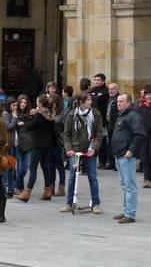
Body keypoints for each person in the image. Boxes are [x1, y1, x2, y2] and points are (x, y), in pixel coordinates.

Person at [61, 92, 105, 214]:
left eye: (91, 100)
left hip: (90, 150)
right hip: (75, 151)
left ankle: (96, 204)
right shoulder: (71, 115)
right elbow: (66, 134)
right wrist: (69, 148)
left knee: (92, 177)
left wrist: (94, 148)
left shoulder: (96, 114)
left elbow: (99, 134)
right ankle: (69, 203)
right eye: (88, 100)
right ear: (81, 102)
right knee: (72, 177)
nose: (90, 102)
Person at [111, 94, 146, 224]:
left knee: (129, 185)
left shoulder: (133, 116)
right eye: (118, 101)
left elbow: (140, 134)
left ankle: (130, 214)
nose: (118, 104)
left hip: (126, 156)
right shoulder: (122, 115)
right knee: (124, 185)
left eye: (121, 101)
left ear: (129, 102)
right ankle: (126, 210)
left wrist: (131, 150)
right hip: (119, 154)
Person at [17, 94, 56, 202]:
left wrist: (23, 123)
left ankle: (27, 192)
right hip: (48, 144)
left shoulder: (39, 115)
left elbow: (30, 126)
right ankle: (48, 191)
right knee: (45, 167)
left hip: (38, 144)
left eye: (37, 101)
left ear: (39, 103)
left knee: (33, 168)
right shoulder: (50, 114)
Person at [104, 83, 119, 170]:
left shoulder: (119, 98)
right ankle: (111, 163)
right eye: (109, 89)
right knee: (109, 144)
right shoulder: (109, 98)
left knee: (116, 144)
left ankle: (116, 164)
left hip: (116, 125)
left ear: (116, 89)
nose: (110, 91)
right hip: (109, 124)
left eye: (112, 89)